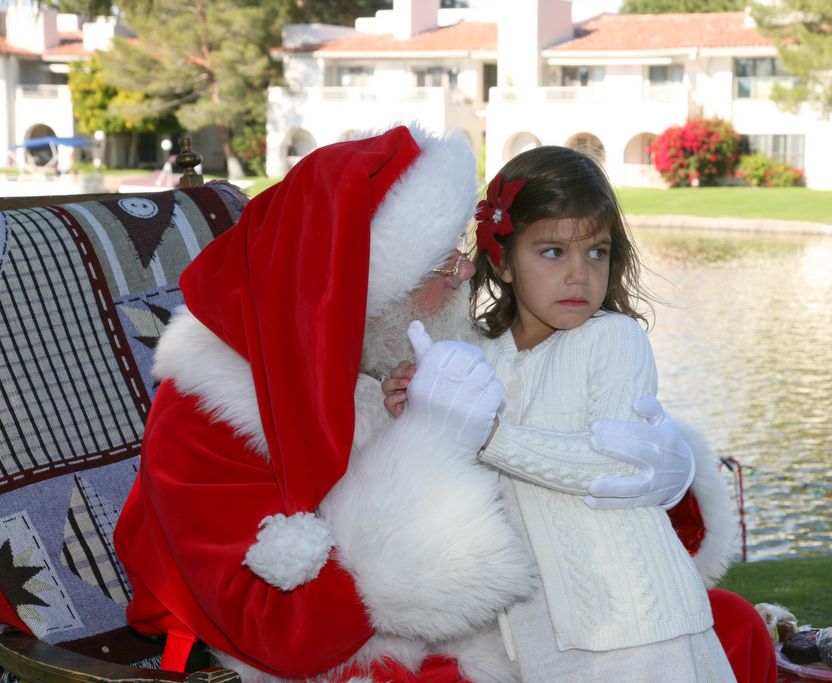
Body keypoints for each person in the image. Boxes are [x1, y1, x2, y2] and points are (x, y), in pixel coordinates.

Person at [113, 124, 704, 683]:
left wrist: (663, 471)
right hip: (326, 661)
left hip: (493, 627)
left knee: (713, 627)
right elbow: (283, 630)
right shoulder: (210, 411)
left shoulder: (391, 353)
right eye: (441, 261)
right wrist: (431, 443)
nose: (467, 270)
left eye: (458, 252)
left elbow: (544, 468)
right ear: (354, 286)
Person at [384, 146, 734, 682]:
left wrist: (485, 433)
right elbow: (463, 485)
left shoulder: (615, 339)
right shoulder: (482, 356)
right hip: (539, 640)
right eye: (552, 252)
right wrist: (422, 415)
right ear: (501, 260)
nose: (579, 275)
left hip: (642, 625)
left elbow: (613, 465)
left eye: (597, 252)